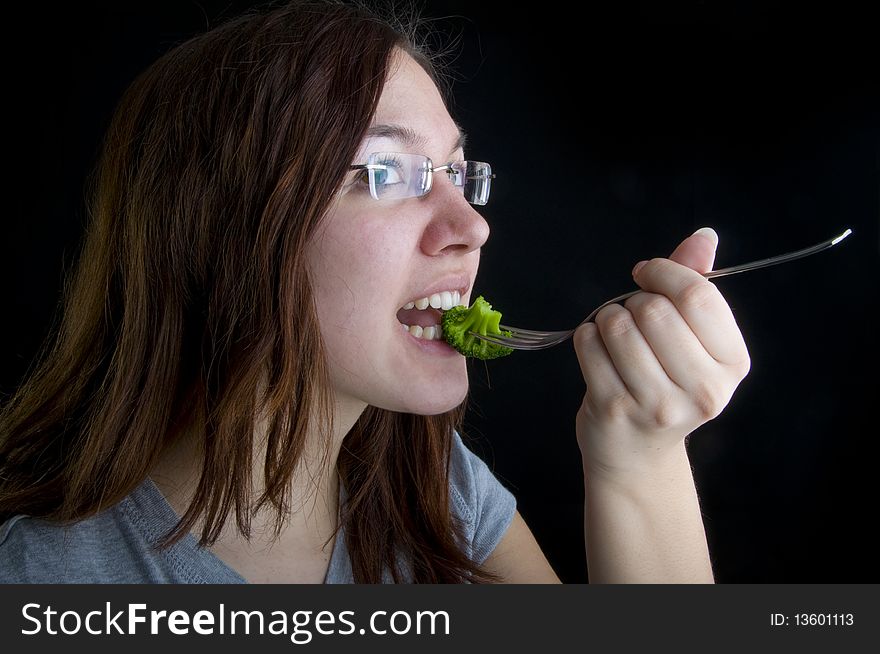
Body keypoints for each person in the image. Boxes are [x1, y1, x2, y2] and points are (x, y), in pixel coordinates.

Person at [0, 0, 749, 584]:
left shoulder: (441, 498)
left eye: (457, 173)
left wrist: (637, 457)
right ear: (221, 230)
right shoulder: (39, 579)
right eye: (386, 174)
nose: (471, 227)